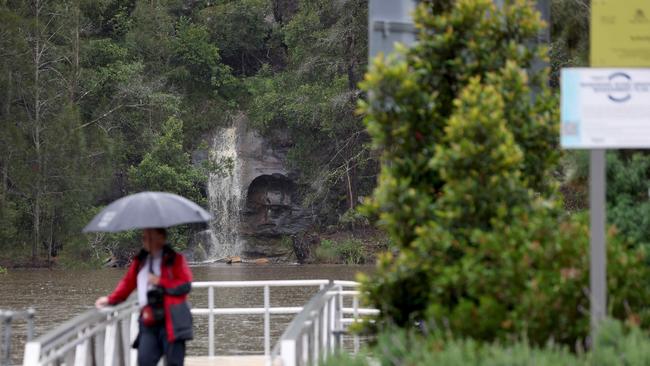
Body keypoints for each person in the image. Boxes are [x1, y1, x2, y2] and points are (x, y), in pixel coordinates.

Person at [95, 228, 193, 366]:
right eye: (144, 238)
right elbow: (128, 283)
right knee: (144, 360)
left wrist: (160, 281)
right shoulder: (140, 261)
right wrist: (110, 299)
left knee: (174, 362)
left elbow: (185, 285)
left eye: (150, 237)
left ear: (161, 238)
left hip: (173, 320)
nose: (146, 241)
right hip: (149, 320)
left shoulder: (175, 259)